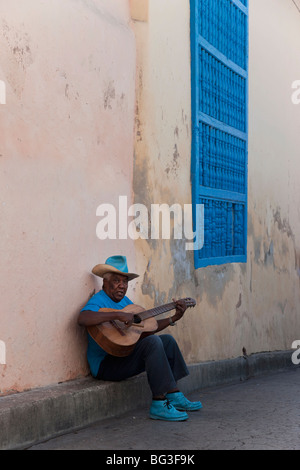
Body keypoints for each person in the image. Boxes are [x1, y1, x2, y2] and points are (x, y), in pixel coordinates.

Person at [78, 255, 202, 421]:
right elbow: (83, 318)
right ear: (105, 282)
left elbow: (147, 329)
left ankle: (174, 394)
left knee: (167, 341)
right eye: (116, 281)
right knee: (152, 342)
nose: (122, 286)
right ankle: (159, 403)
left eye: (125, 282)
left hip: (124, 355)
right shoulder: (99, 300)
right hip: (106, 365)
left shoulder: (126, 302)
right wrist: (117, 314)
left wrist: (173, 318)